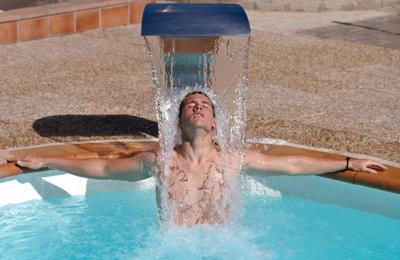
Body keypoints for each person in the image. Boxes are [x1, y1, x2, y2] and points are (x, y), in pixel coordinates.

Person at [1, 91, 387, 225]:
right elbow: (101, 167)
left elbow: (290, 164)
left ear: (216, 123)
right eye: (190, 105)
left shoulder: (233, 159)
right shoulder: (158, 160)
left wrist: (347, 162)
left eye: (204, 105)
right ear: (180, 120)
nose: (198, 108)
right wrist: (50, 160)